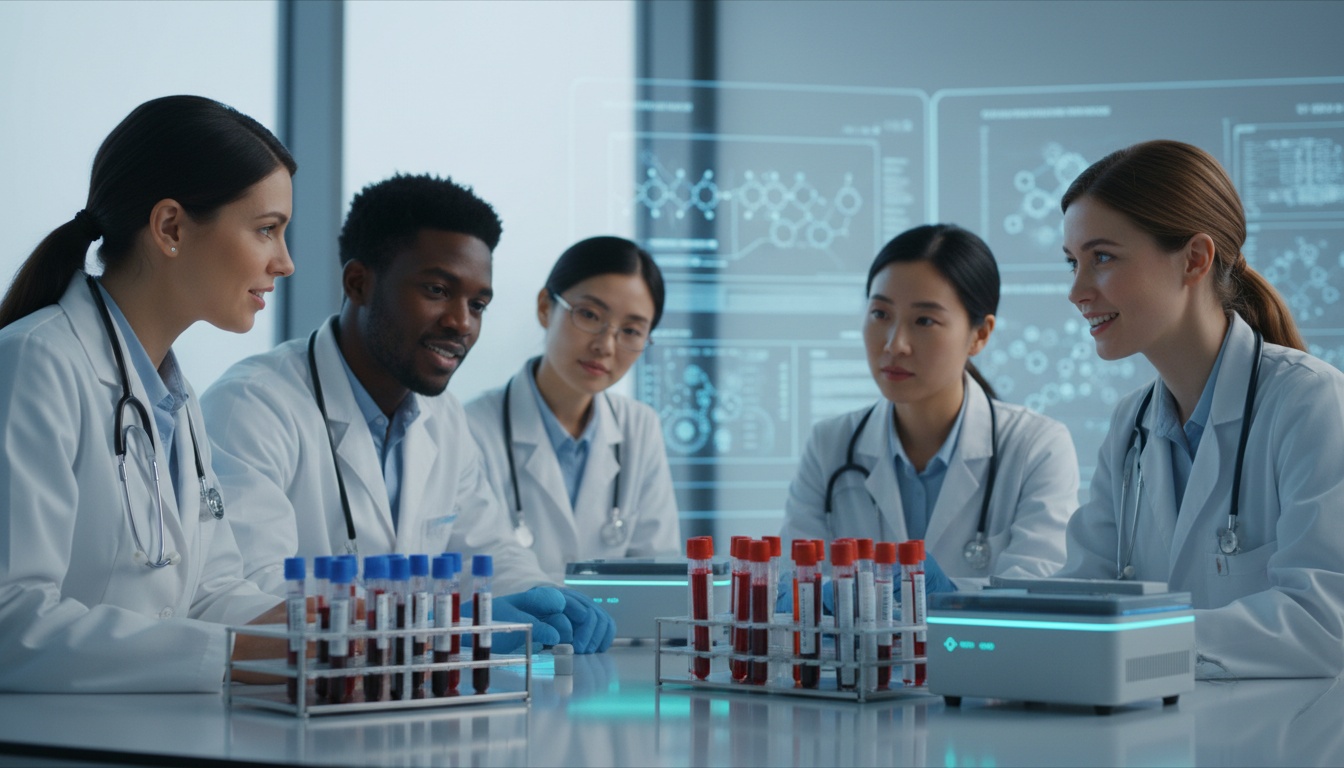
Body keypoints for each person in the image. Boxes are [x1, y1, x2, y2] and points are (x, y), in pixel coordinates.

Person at [201, 174, 614, 653]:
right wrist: (444, 621)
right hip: (286, 711)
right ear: (358, 283)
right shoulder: (253, 407)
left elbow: (486, 551)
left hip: (402, 705)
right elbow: (252, 599)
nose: (462, 322)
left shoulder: (444, 418)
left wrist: (547, 597)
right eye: (438, 290)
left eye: (477, 304)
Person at [0, 95, 294, 692]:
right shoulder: (36, 363)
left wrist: (320, 630)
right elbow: (13, 624)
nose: (284, 263)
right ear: (170, 228)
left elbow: (209, 593)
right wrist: (238, 653)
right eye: (267, 230)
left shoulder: (170, 400)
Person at [1055, 140, 1344, 679]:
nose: (1077, 290)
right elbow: (1081, 591)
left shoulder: (1310, 402)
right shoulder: (1131, 426)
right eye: (1073, 262)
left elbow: (1320, 621)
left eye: (1102, 258)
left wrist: (1131, 640)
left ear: (1194, 259)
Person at [781, 224, 1079, 591]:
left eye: (925, 321)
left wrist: (943, 599)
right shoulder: (830, 445)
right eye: (880, 314)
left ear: (980, 335)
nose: (895, 344)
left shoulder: (1036, 446)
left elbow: (1036, 594)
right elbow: (794, 586)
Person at [464, 236, 680, 581]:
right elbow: (471, 572)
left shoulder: (640, 427)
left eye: (631, 331)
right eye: (590, 315)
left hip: (618, 636)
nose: (605, 345)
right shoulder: (471, 429)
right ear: (545, 307)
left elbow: (658, 575)